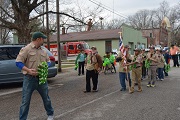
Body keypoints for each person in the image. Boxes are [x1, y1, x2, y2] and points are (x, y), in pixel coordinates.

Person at [16, 32, 54, 120]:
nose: (43, 40)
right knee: (25, 101)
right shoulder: (26, 49)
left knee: (46, 98)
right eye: (42, 39)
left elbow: (48, 61)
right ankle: (22, 119)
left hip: (41, 78)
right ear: (38, 39)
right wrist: (28, 70)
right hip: (29, 79)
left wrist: (45, 67)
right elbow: (18, 62)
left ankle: (50, 114)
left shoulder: (43, 50)